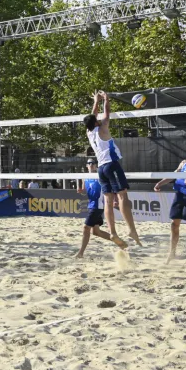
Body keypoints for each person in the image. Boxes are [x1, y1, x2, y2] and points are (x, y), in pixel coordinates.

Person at [83, 90, 138, 248]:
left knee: (108, 201)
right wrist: (106, 99)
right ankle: (130, 229)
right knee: (122, 197)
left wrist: (95, 101)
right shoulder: (102, 128)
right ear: (96, 123)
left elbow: (93, 116)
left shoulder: (89, 131)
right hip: (111, 164)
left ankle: (113, 232)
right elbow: (106, 113)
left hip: (101, 168)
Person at [74, 159, 121, 257]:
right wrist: (81, 191)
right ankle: (120, 243)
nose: (91, 165)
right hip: (91, 205)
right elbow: (84, 191)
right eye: (89, 163)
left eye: (93, 163)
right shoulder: (85, 177)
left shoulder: (100, 176)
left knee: (86, 227)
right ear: (87, 166)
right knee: (96, 232)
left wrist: (115, 199)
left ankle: (80, 253)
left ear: (96, 166)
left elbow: (111, 187)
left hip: (98, 205)